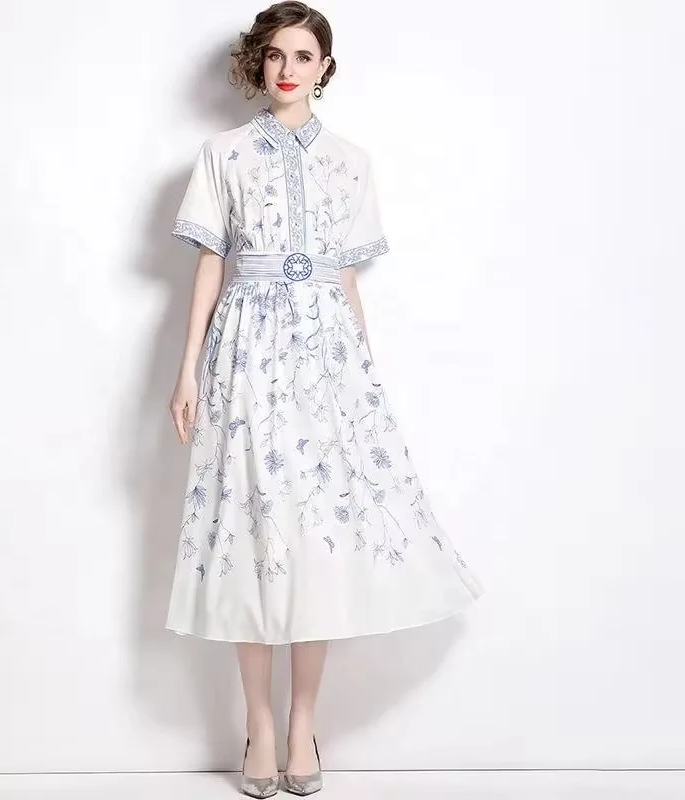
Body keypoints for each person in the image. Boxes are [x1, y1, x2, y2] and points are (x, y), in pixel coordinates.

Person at [165, 2, 484, 795]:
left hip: (325, 353)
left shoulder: (350, 162)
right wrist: (189, 368)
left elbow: (344, 275)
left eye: (303, 56)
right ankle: (259, 725)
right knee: (250, 531)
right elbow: (210, 262)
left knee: (317, 541)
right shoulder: (224, 153)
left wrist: (361, 375)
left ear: (326, 69)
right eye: (275, 54)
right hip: (245, 351)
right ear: (258, 62)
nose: (287, 69)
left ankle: (304, 724)